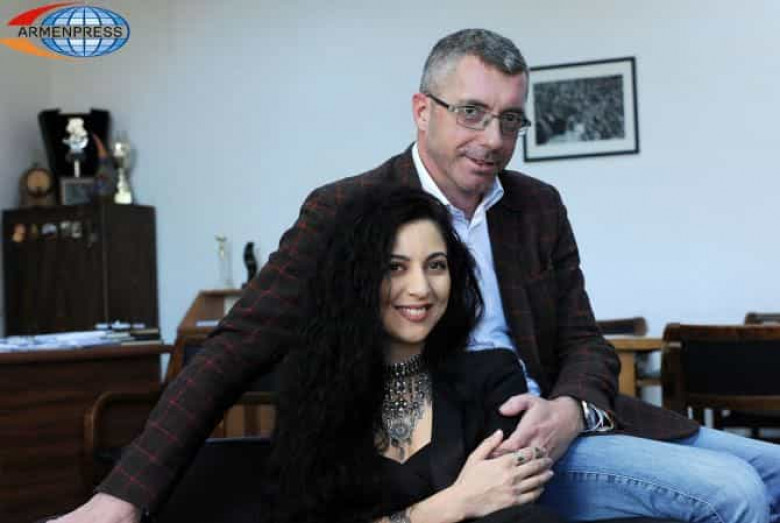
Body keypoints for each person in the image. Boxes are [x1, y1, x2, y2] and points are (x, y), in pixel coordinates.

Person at [53, 28, 780, 523]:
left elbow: (583, 341)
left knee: (772, 469)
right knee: (735, 492)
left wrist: (570, 410)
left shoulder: (538, 205)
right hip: (469, 452)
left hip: (567, 424)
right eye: (472, 113)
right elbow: (232, 350)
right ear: (422, 111)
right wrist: (123, 498)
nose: (493, 140)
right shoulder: (348, 209)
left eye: (510, 120)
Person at [265, 187, 560, 523]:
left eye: (436, 266)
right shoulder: (313, 389)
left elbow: (512, 509)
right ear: (356, 277)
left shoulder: (494, 376)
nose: (421, 288)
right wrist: (453, 504)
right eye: (395, 267)